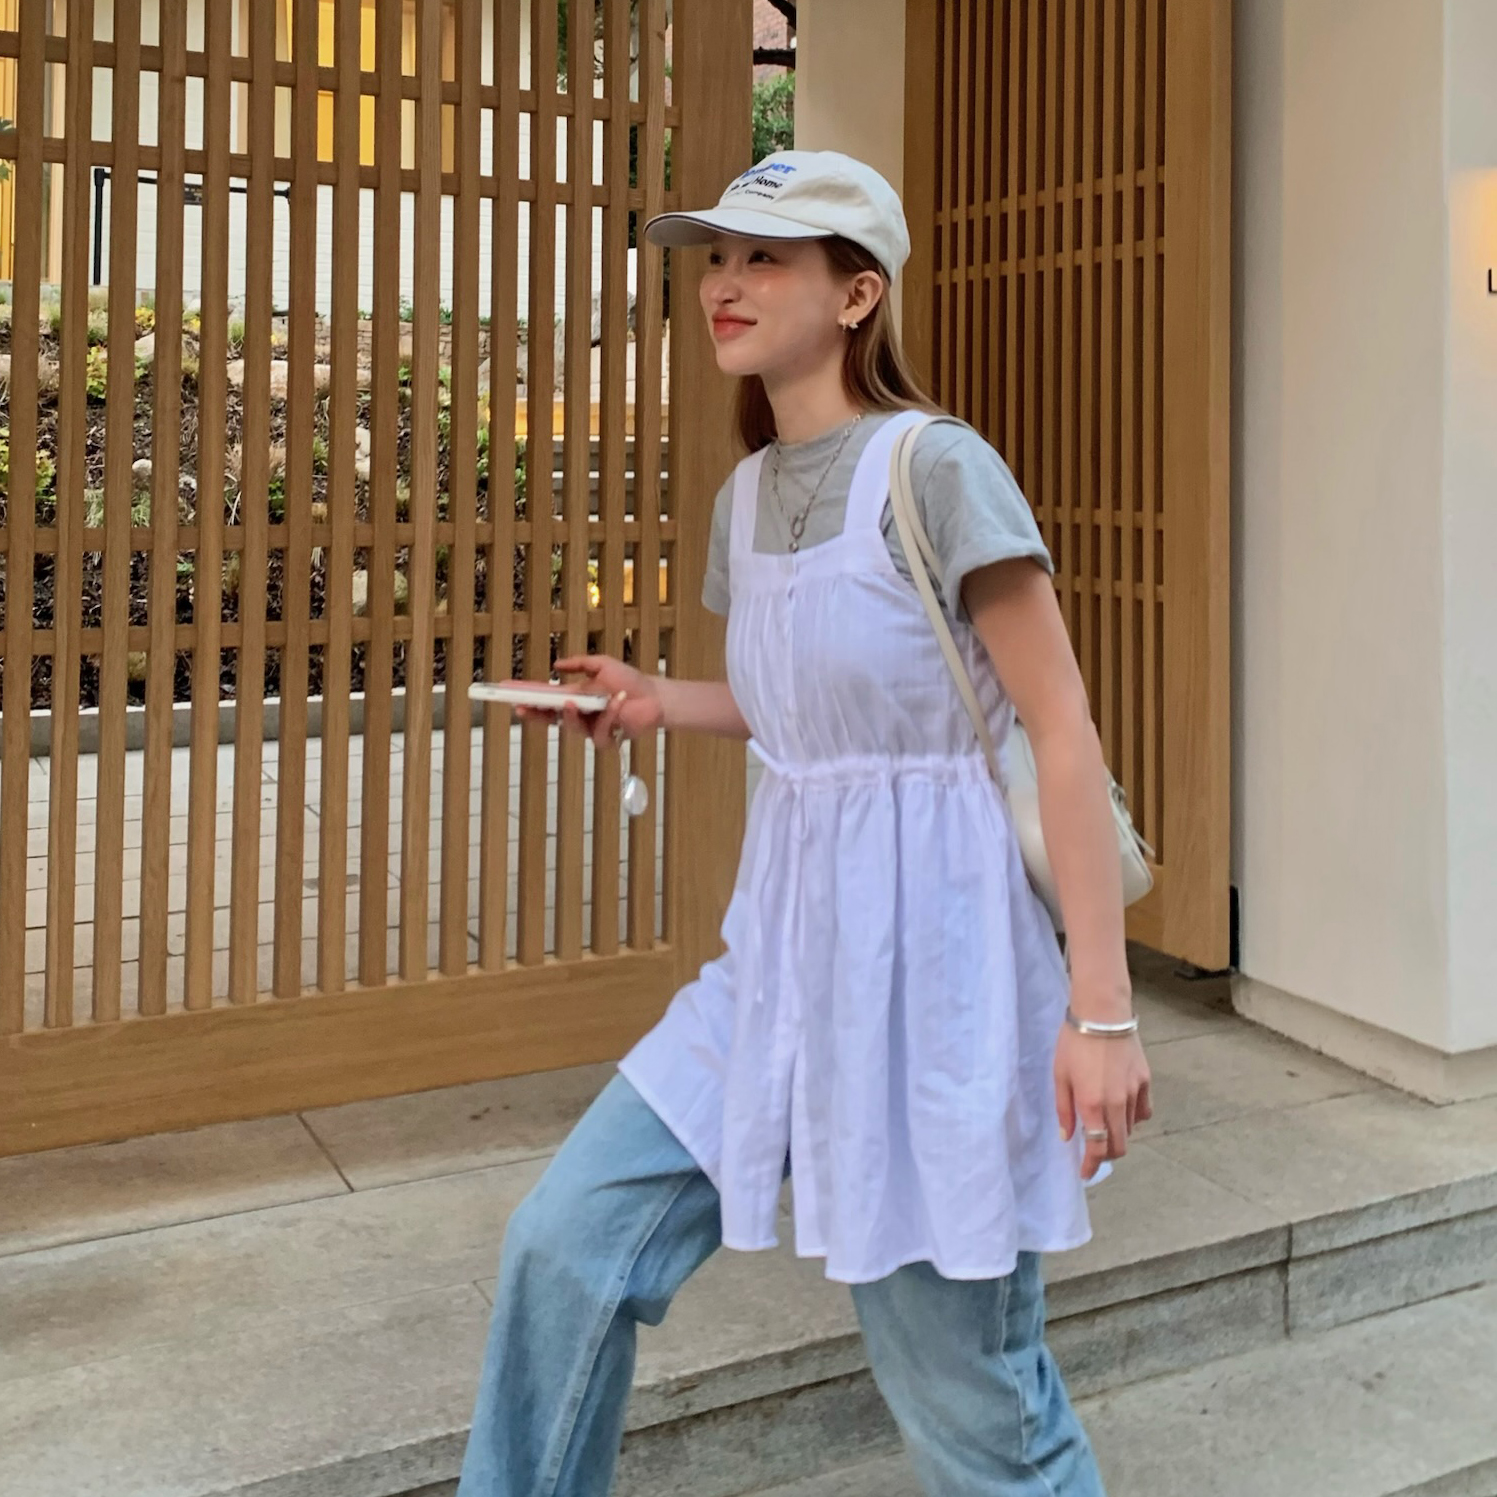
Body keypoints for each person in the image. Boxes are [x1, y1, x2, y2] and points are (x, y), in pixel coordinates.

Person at [457, 150, 1152, 1497]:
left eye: (764, 257)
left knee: (969, 1408)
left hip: (938, 987)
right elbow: (816, 717)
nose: (724, 282)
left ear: (857, 294)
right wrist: (659, 701)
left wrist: (1102, 1014)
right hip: (775, 966)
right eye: (716, 256)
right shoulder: (747, 495)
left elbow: (1058, 728)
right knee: (564, 1244)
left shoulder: (937, 467)